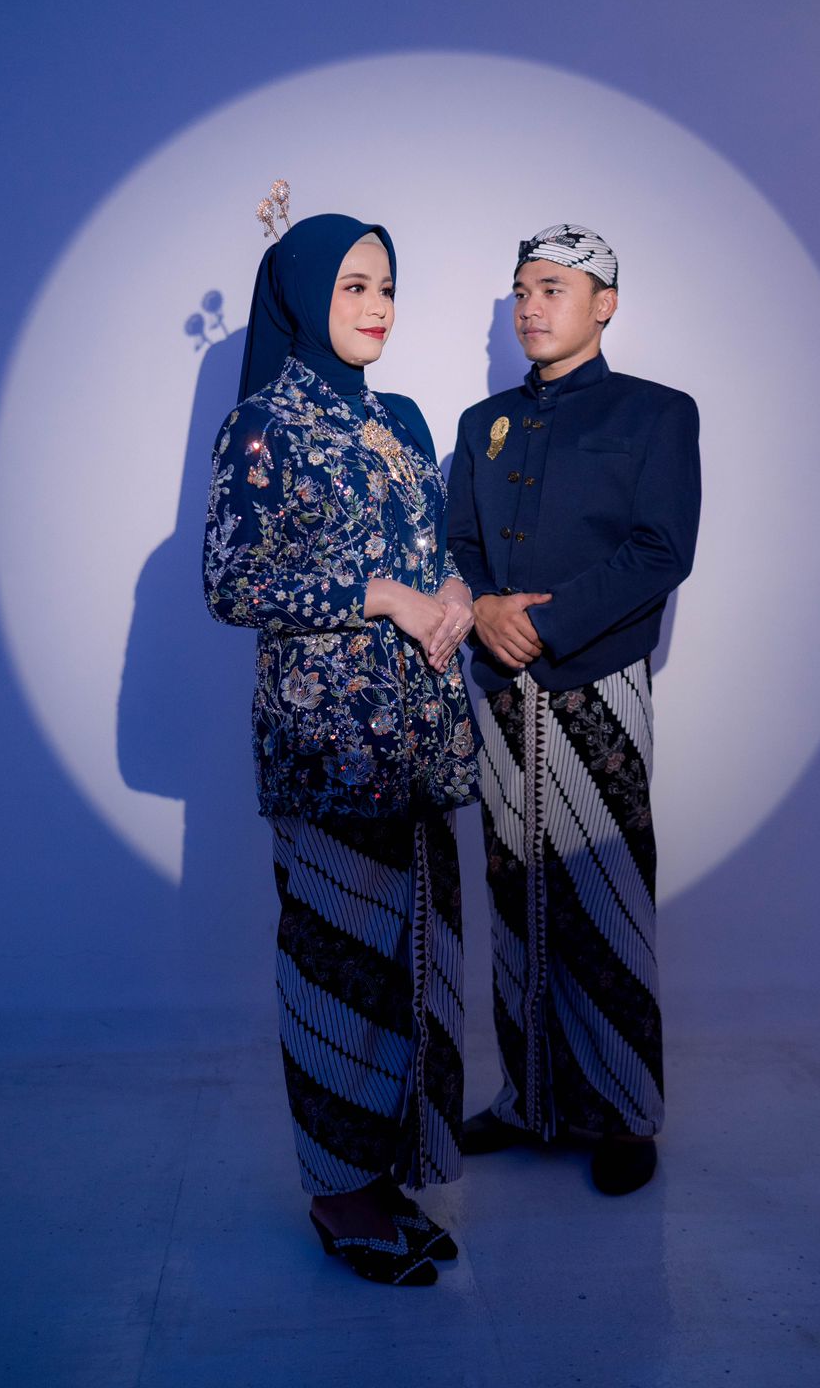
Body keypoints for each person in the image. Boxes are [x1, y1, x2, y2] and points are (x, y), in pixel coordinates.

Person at [204, 205, 479, 1284]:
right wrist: (382, 597)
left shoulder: (401, 419)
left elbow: (436, 542)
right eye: (353, 286)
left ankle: (391, 1172)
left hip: (419, 737)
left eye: (387, 286)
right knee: (337, 969)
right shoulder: (264, 425)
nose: (376, 307)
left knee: (412, 962)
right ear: (304, 294)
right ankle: (339, 1194)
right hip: (327, 746)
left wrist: (450, 591)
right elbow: (231, 582)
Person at [446, 223, 701, 1195]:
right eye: (521, 290)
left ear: (605, 304)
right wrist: (484, 609)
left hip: (598, 685)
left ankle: (625, 1112)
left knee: (606, 891)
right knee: (515, 895)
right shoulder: (482, 423)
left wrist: (543, 626)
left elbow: (660, 550)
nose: (530, 306)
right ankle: (530, 1100)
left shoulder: (657, 413)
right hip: (498, 689)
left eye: (553, 287)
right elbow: (457, 542)